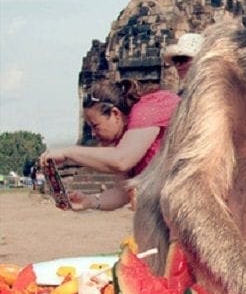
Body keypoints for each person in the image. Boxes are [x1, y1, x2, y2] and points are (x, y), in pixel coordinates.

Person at [39, 79, 179, 211]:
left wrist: (68, 153)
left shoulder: (148, 109)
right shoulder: (122, 139)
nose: (93, 134)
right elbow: (121, 192)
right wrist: (89, 201)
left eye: (95, 126)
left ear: (115, 114)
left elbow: (122, 160)